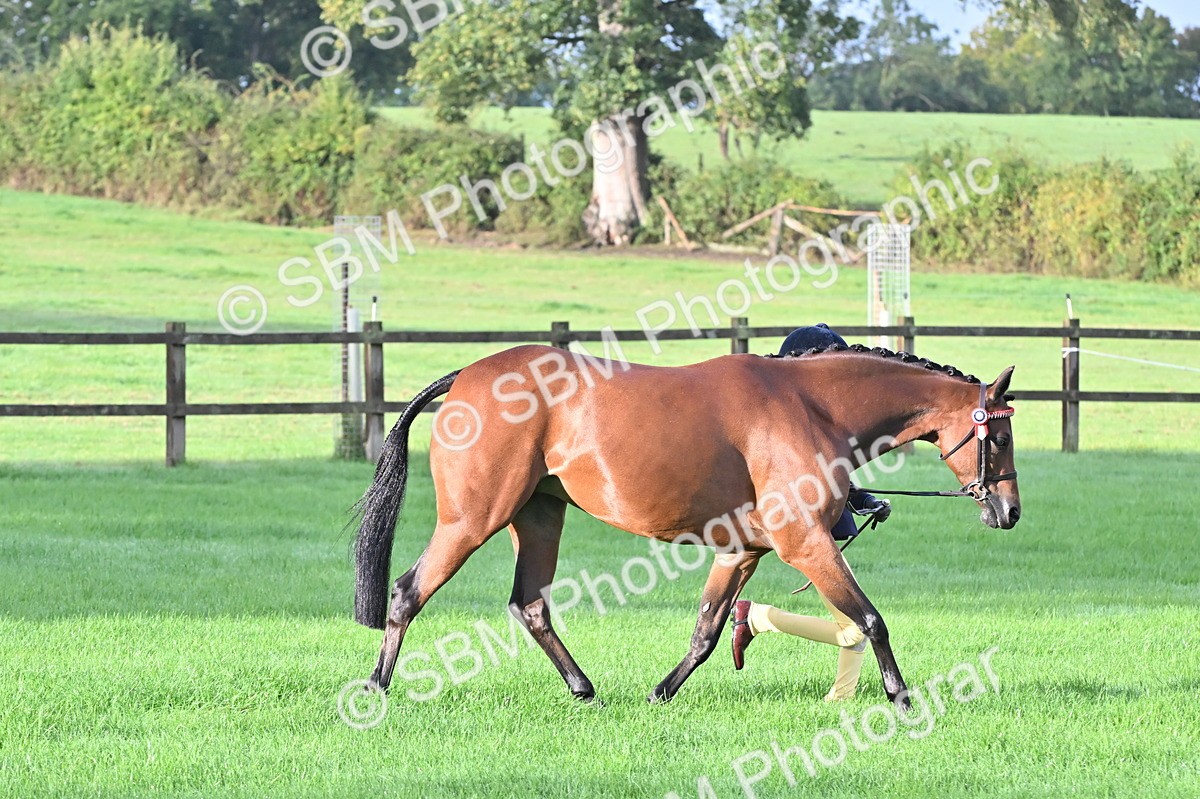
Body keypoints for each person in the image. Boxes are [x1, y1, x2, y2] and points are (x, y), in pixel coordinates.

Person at [730, 324, 891, 701]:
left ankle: (842, 697)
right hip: (808, 535)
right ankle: (757, 618)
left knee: (854, 625)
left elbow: (835, 479)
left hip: (820, 530)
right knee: (856, 628)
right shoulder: (794, 424)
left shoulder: (813, 420)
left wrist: (867, 502)